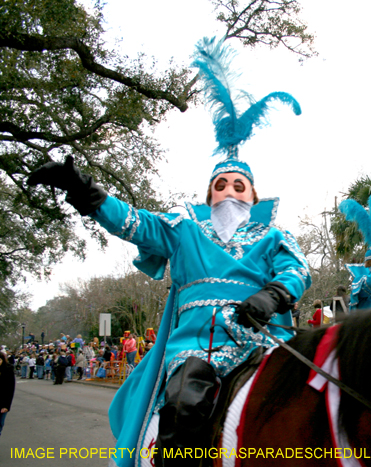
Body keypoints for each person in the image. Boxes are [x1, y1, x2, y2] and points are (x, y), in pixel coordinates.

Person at [27, 37, 310, 467]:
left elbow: (298, 269)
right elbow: (132, 221)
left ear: (254, 195)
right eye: (221, 185)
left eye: (238, 185)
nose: (229, 190)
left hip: (262, 338)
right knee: (184, 401)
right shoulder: (182, 228)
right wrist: (85, 190)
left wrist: (272, 296)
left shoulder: (274, 235)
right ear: (207, 195)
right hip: (195, 345)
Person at [0, 351, 15, 438]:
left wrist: (6, 406)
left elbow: (10, 390)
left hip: (3, 402)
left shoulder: (8, 370)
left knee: (0, 423)